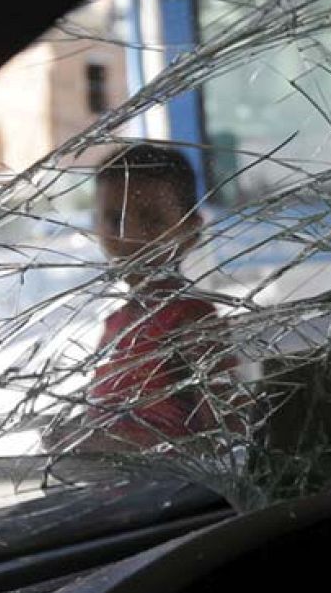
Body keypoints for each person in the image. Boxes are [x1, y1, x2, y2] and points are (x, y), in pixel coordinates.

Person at [64, 143, 234, 451]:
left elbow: (227, 432)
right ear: (94, 228)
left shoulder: (191, 319)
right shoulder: (117, 322)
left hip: (177, 495)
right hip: (122, 494)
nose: (130, 237)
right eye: (114, 220)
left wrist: (127, 446)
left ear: (191, 231)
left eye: (152, 218)